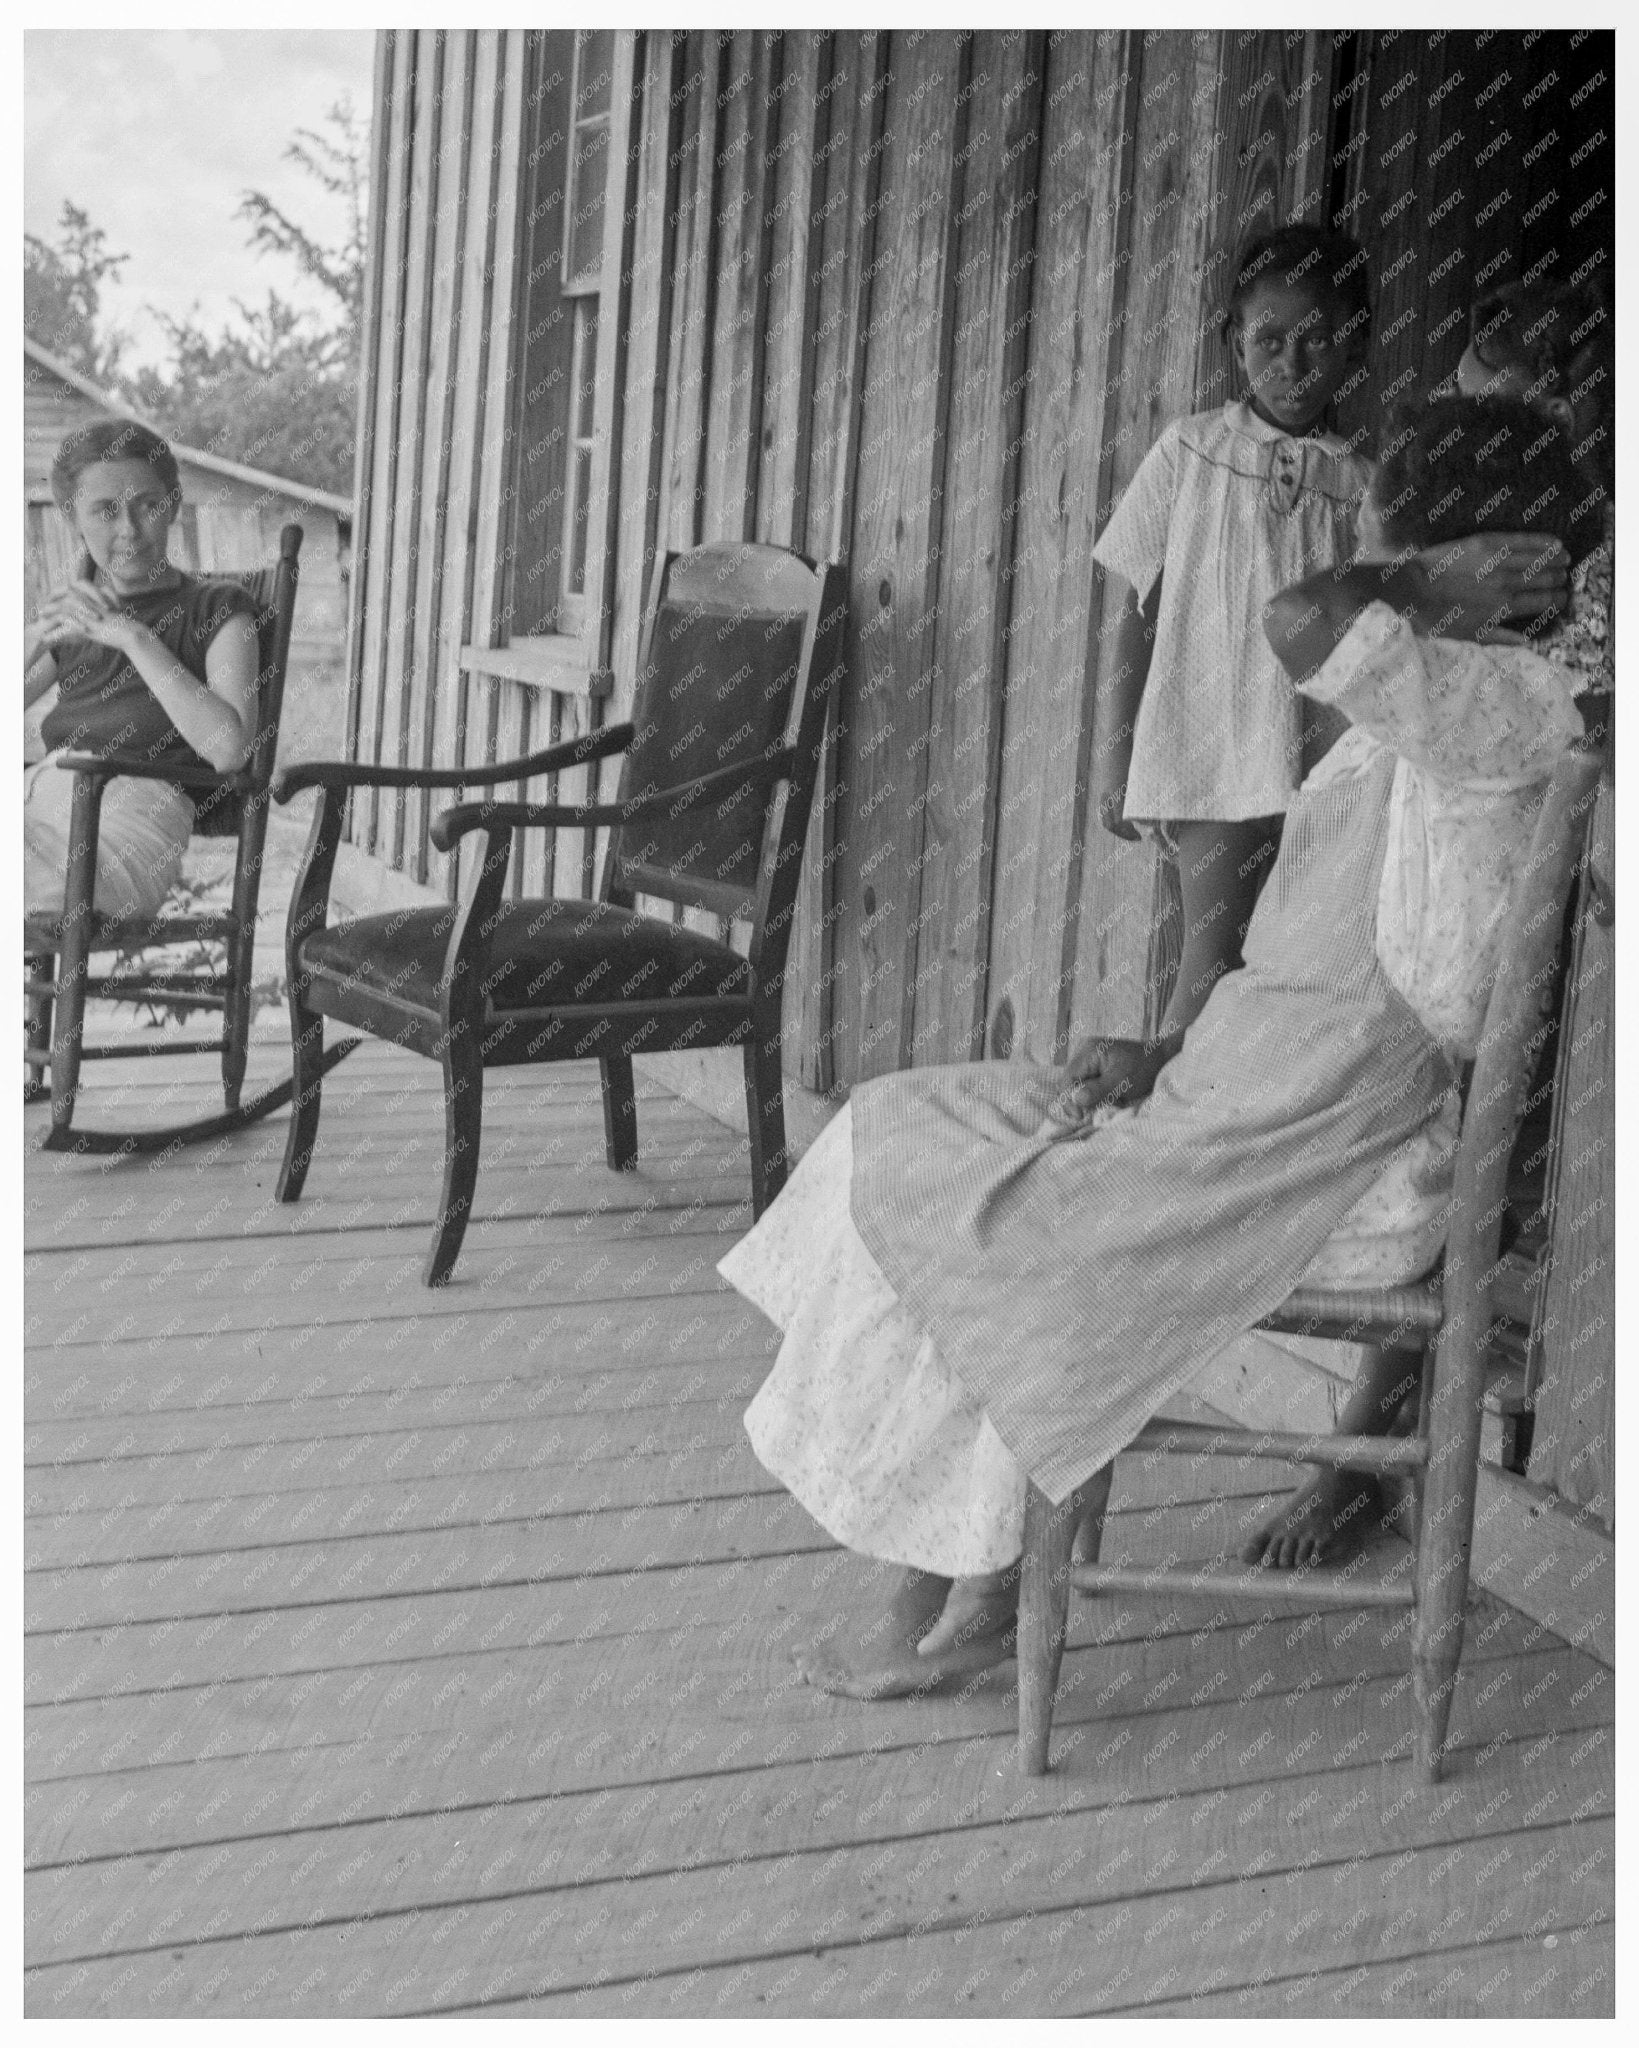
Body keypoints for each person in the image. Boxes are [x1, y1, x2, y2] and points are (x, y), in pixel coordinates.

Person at [719, 394, 1600, 1699]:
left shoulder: (1495, 707)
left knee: (967, 1208)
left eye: (1384, 541)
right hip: (1244, 1088)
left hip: (1312, 1140)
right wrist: (1159, 1051)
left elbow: (1297, 618)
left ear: (1474, 558)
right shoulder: (1445, 703)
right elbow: (1309, 945)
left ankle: (959, 1591)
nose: (1362, 566)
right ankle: (967, 1561)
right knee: (890, 1131)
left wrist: (1420, 580)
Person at [1241, 273, 1614, 1564]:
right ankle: (1361, 1459)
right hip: (1403, 997)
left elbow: (1308, 623)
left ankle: (1353, 1460)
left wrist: (1423, 586)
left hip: (1417, 1054)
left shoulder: (1507, 674)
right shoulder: (1481, 674)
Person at [1080, 222, 1373, 1112]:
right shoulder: (1191, 450)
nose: (1293, 361)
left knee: (1286, 969)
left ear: (1356, 342)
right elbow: (1136, 611)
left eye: (1319, 337)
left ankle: (1232, 1147)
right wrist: (1119, 755)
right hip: (1207, 745)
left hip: (1315, 761)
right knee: (1206, 965)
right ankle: (1153, 1134)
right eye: (1268, 339)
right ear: (1230, 341)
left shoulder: (1361, 481)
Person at [25, 419, 260, 922]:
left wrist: (134, 637)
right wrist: (36, 634)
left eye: (147, 505)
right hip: (39, 807)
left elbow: (229, 748)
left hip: (127, 825)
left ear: (173, 505)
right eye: (106, 510)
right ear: (72, 515)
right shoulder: (79, 621)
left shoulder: (216, 608)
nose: (128, 530)